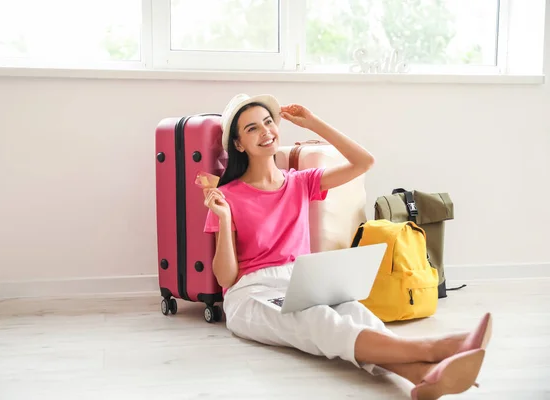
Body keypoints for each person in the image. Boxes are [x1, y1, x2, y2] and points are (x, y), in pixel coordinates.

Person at [201, 93, 492, 400]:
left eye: (268, 122)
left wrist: (313, 123)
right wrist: (223, 218)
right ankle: (437, 347)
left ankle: (423, 377)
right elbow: (225, 279)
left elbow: (364, 162)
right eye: (251, 129)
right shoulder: (227, 196)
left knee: (356, 312)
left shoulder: (299, 182)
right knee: (320, 322)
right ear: (238, 144)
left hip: (301, 281)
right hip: (252, 293)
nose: (265, 132)